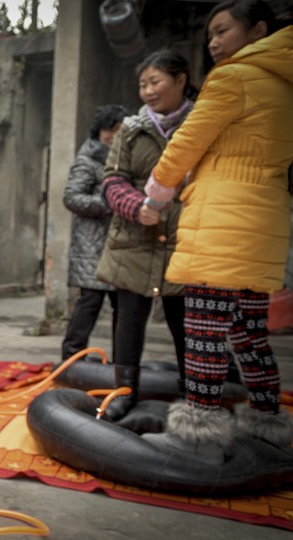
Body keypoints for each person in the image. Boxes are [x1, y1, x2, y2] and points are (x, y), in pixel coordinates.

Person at [142, 0, 293, 462]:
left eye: (223, 30)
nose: (213, 42)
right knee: (248, 332)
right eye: (210, 34)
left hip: (223, 218)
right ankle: (268, 424)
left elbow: (188, 142)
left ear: (259, 30)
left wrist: (157, 192)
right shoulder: (285, 84)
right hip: (262, 222)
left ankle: (197, 438)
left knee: (204, 328)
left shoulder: (233, 78)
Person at [94, 49, 196, 420]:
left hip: (185, 241)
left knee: (186, 323)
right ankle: (123, 392)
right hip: (133, 241)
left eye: (155, 82)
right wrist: (136, 206)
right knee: (128, 321)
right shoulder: (131, 130)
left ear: (181, 79)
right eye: (143, 84)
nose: (148, 91)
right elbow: (112, 180)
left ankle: (194, 395)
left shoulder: (204, 124)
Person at [60, 105, 129, 360]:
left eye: (119, 131)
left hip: (120, 244)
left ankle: (121, 361)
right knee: (90, 301)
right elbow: (71, 197)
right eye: (109, 130)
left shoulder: (127, 159)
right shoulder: (87, 159)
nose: (113, 135)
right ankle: (71, 356)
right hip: (92, 245)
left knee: (122, 306)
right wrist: (109, 204)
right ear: (99, 131)